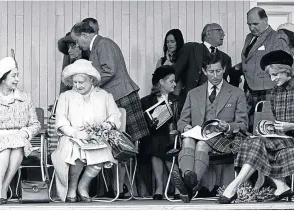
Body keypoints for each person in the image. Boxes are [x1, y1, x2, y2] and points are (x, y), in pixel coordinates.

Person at [218, 50, 294, 204]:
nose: (272, 79)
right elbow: (278, 122)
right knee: (252, 141)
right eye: (270, 75)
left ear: (286, 71)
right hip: (281, 138)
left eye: (275, 75)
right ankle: (281, 186)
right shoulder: (274, 92)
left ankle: (233, 187)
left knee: (256, 144)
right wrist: (270, 127)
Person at [70, 21, 150, 195]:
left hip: (122, 96)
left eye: (78, 41)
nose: (78, 45)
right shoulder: (98, 46)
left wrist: (91, 86)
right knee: (118, 147)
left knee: (124, 146)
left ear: (85, 35)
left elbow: (109, 70)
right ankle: (121, 188)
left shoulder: (103, 44)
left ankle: (126, 188)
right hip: (118, 95)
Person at [172, 53, 248, 203]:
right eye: (211, 71)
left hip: (224, 139)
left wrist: (228, 126)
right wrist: (185, 126)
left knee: (200, 144)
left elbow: (243, 124)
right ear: (205, 71)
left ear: (224, 69)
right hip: (197, 134)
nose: (215, 75)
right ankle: (190, 182)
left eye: (218, 71)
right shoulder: (193, 94)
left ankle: (188, 187)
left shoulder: (237, 93)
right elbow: (181, 121)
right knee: (187, 140)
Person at [51, 59, 121, 203]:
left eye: (81, 82)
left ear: (91, 80)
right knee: (75, 150)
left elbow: (115, 116)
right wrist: (76, 133)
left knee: (101, 149)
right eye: (75, 82)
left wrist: (105, 127)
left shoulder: (104, 96)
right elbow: (61, 121)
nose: (77, 85)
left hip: (98, 136)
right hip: (71, 136)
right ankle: (72, 187)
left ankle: (83, 186)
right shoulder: (65, 96)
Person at [0, 57, 41, 204]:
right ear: (2, 77)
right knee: (5, 148)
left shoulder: (25, 98)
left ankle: (1, 188)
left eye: (17, 75)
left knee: (17, 145)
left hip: (19, 140)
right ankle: (0, 188)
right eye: (14, 75)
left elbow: (35, 124)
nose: (17, 79)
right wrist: (3, 134)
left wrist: (24, 133)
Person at [233, 7, 290, 132]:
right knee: (249, 126)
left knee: (265, 126)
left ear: (265, 20)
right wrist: (239, 67)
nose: (252, 27)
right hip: (250, 88)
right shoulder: (249, 37)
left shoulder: (277, 37)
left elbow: (282, 64)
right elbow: (251, 59)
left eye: (255, 24)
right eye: (249, 24)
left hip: (268, 89)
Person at [174, 23, 239, 109]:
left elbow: (227, 85)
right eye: (219, 31)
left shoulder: (225, 58)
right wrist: (171, 97)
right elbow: (175, 73)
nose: (223, 34)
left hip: (216, 106)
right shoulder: (191, 48)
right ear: (208, 34)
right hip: (191, 103)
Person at [140, 65, 181, 200]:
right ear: (161, 82)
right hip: (155, 137)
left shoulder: (177, 100)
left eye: (175, 81)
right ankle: (167, 186)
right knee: (155, 141)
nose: (175, 84)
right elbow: (143, 126)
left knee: (159, 144)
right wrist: (151, 123)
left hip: (174, 137)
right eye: (171, 81)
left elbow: (183, 120)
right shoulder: (146, 101)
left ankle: (164, 187)